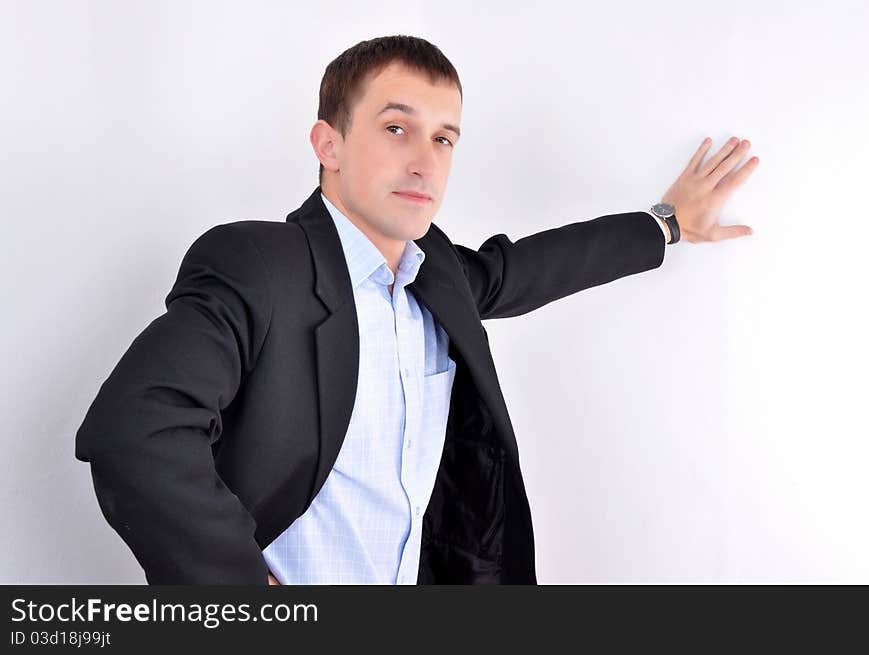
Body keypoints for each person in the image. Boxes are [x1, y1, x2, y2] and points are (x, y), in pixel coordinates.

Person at [75, 35, 759, 585]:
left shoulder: (440, 278)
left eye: (443, 138)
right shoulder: (261, 266)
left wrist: (666, 222)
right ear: (329, 144)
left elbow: (529, 268)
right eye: (397, 127)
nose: (426, 162)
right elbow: (134, 431)